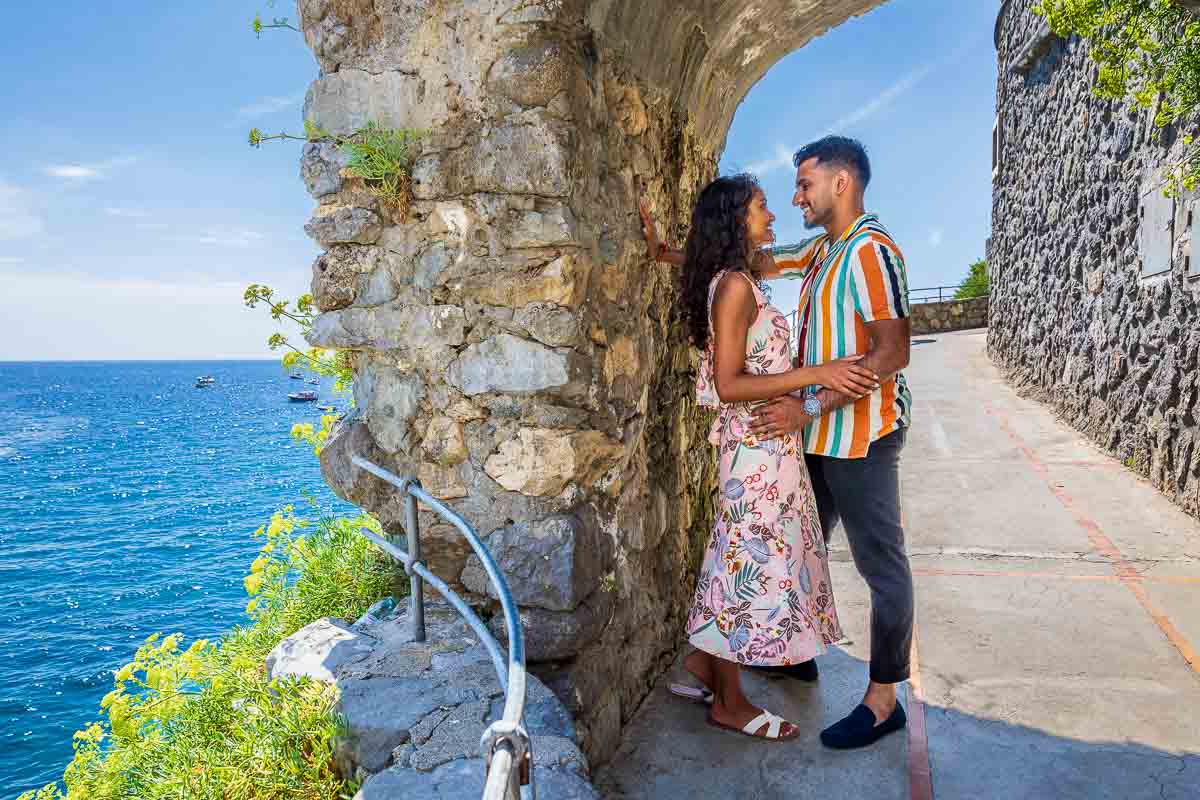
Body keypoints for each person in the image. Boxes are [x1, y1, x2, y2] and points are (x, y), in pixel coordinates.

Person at [643, 136, 914, 750]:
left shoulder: (873, 253)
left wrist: (811, 400)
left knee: (881, 567)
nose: (795, 199)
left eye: (805, 185)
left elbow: (891, 352)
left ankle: (882, 699)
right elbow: (740, 263)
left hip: (859, 436)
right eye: (783, 192)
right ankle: (776, 657)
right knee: (776, 551)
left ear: (841, 183)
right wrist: (668, 253)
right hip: (805, 434)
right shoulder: (820, 252)